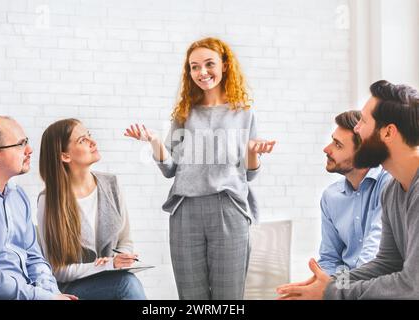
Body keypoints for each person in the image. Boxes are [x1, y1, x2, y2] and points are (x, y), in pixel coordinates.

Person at [124, 37, 275, 300]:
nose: (202, 72)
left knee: (228, 298)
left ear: (225, 65)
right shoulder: (184, 114)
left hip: (229, 209)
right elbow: (170, 169)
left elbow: (249, 174)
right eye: (194, 67)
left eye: (209, 64)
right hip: (186, 212)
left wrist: (252, 152)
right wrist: (154, 141)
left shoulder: (244, 113)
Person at [277, 80, 419, 299]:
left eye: (362, 120)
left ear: (388, 133)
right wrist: (328, 284)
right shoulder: (392, 190)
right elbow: (386, 263)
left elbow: (412, 285)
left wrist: (332, 292)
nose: (356, 129)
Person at [37, 118, 146, 300]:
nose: (93, 142)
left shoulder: (111, 184)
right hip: (70, 288)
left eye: (89, 136)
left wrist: (123, 259)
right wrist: (106, 265)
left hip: (110, 279)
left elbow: (125, 241)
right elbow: (57, 270)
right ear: (65, 156)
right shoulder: (48, 200)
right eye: (82, 140)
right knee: (127, 284)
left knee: (126, 280)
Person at [0, 116, 75, 300]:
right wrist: (43, 298)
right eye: (20, 144)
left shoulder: (18, 196)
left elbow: (35, 258)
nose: (29, 150)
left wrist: (52, 293)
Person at [318, 110, 391, 275]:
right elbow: (330, 260)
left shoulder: (389, 185)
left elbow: (373, 255)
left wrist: (343, 290)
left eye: (338, 145)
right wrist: (335, 289)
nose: (326, 149)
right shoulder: (331, 196)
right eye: (332, 141)